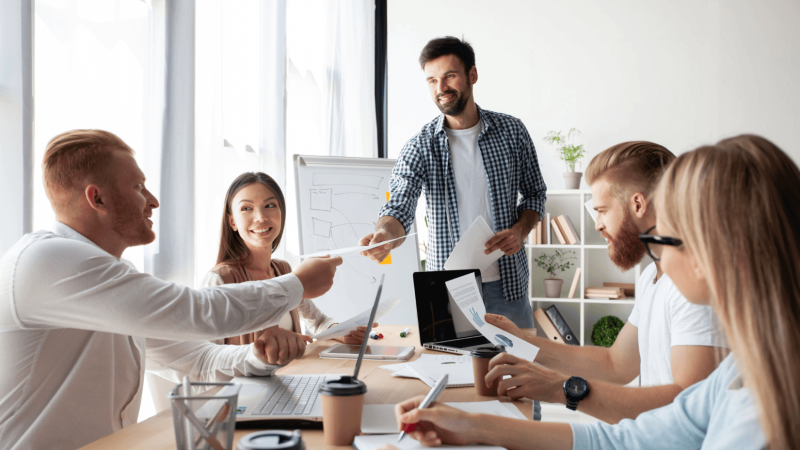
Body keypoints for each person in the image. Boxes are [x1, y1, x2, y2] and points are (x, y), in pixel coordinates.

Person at [389, 134, 800, 449]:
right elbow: (622, 398)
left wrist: (561, 388)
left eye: (670, 235)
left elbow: (671, 408)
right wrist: (474, 422)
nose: (661, 250)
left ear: (710, 253)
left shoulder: (761, 410)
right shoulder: (743, 371)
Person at [0, 130, 342, 450]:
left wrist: (256, 356)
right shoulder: (48, 260)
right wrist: (297, 285)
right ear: (97, 198)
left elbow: (197, 359)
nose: (153, 201)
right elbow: (197, 312)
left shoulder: (110, 278)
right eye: (138, 187)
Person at [480, 141, 726, 424]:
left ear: (637, 204)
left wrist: (561, 389)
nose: (597, 224)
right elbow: (617, 364)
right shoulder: (652, 278)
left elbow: (690, 406)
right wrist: (522, 340)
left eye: (602, 209)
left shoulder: (692, 289)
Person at [359, 36, 547, 330]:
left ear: (472, 75)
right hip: (449, 292)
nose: (441, 88)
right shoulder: (419, 146)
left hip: (508, 287)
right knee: (452, 374)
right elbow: (400, 204)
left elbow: (535, 193)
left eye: (449, 76)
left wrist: (521, 230)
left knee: (517, 373)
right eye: (432, 80)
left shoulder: (512, 131)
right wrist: (384, 234)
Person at [201, 172, 375, 354]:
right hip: (247, 382)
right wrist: (266, 351)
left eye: (269, 205)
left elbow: (317, 321)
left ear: (281, 214)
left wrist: (342, 331)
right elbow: (206, 357)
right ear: (232, 221)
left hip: (292, 376)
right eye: (246, 208)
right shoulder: (219, 280)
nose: (260, 217)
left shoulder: (283, 270)